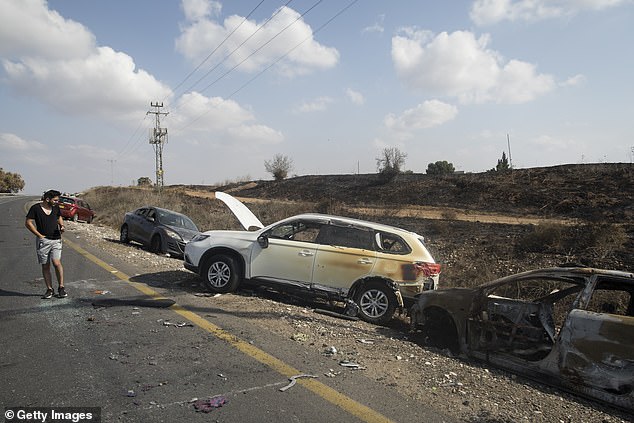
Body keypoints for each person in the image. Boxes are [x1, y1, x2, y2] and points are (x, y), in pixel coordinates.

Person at [25, 189, 67, 299]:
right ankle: (49, 289)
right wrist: (39, 235)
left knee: (56, 262)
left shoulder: (56, 208)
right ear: (47, 199)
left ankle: (61, 287)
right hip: (43, 241)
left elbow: (59, 217)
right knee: (46, 265)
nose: (57, 202)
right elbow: (28, 222)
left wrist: (62, 226)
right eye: (55, 200)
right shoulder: (35, 209)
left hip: (56, 239)